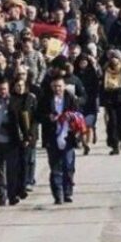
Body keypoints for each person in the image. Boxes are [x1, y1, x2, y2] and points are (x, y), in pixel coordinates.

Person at [38, 76, 81, 204]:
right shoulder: (46, 100)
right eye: (55, 86)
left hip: (68, 136)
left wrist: (71, 117)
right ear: (51, 87)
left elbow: (78, 114)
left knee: (68, 165)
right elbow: (38, 115)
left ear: (64, 86)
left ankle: (68, 191)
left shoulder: (70, 98)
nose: (57, 89)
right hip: (52, 137)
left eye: (60, 86)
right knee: (55, 167)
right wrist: (48, 117)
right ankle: (58, 194)